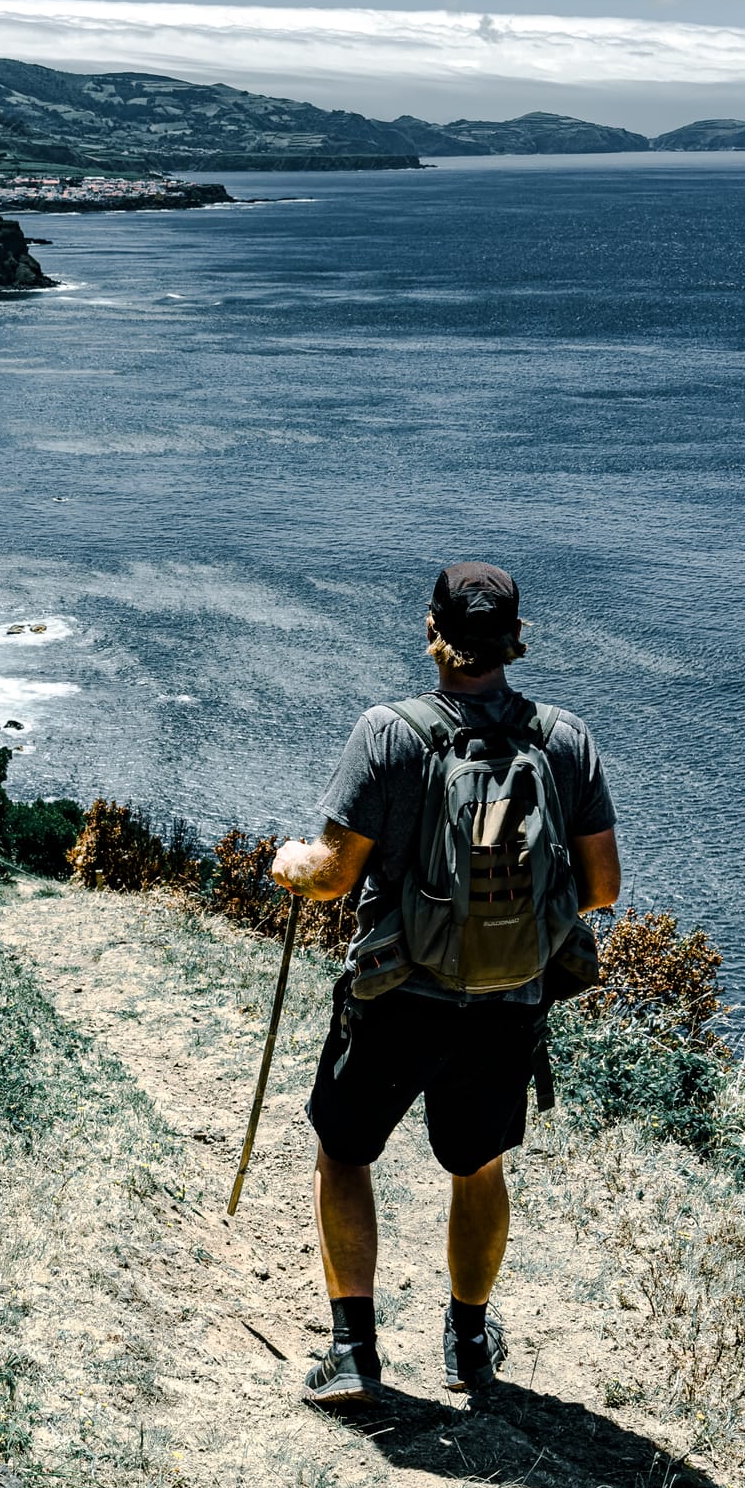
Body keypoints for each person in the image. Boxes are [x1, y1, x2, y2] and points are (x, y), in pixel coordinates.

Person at [270, 561, 620, 1402]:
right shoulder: (564, 739)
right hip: (510, 1001)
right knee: (478, 1165)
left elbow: (330, 876)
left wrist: (288, 863)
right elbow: (602, 888)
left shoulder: (389, 733)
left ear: (434, 632)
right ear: (514, 638)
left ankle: (354, 1349)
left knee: (345, 1150)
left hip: (400, 994)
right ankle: (469, 1339)